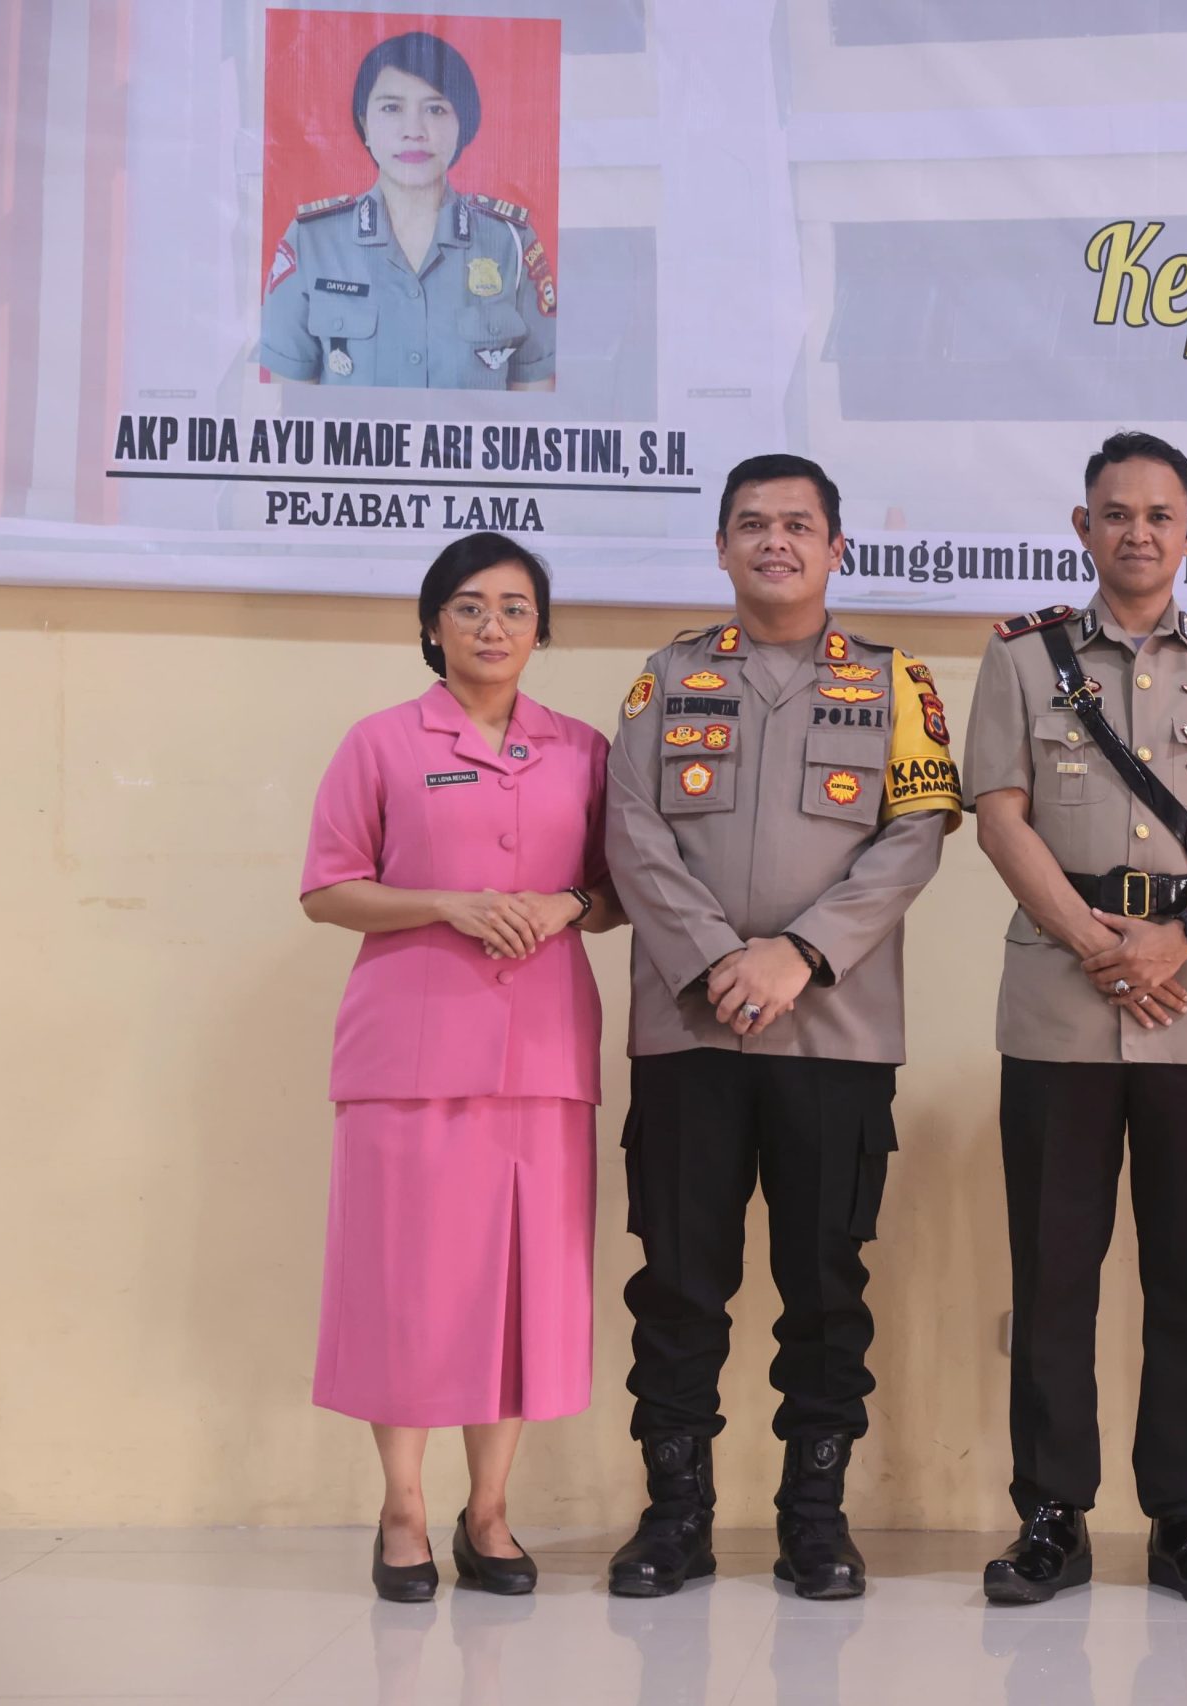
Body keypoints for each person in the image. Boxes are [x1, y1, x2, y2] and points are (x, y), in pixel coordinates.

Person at [601, 454, 962, 1601]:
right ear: (720, 547)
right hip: (689, 1029)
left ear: (836, 548)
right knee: (678, 1283)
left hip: (834, 1032)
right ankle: (675, 1515)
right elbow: (630, 830)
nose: (775, 541)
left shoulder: (897, 681)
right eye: (752, 523)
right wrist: (718, 958)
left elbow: (914, 835)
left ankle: (815, 1518)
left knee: (824, 1285)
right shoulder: (666, 679)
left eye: (799, 524)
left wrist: (796, 954)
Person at [963, 431, 1187, 1606]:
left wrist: (1178, 937)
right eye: (1115, 512)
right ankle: (1051, 1514)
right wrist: (1099, 944)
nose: (1137, 531)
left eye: (1159, 514)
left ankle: (1186, 1515)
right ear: (1082, 526)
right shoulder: (1020, 657)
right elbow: (998, 812)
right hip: (1061, 1002)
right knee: (1054, 1272)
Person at [299, 532, 622, 1600]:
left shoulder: (582, 749)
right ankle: (402, 1506)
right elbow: (328, 887)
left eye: (516, 608)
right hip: (408, 1050)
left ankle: (488, 1511)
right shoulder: (381, 743)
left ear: (541, 630)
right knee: (408, 1283)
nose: (494, 625)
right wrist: (448, 902)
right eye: (471, 606)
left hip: (543, 1053)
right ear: (433, 625)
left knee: (520, 1284)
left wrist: (563, 905)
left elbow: (617, 887)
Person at [260, 30, 555, 390]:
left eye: (435, 109)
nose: (413, 130)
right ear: (365, 125)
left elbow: (534, 407)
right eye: (391, 108)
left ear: (461, 124)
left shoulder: (511, 243)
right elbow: (291, 409)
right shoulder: (312, 241)